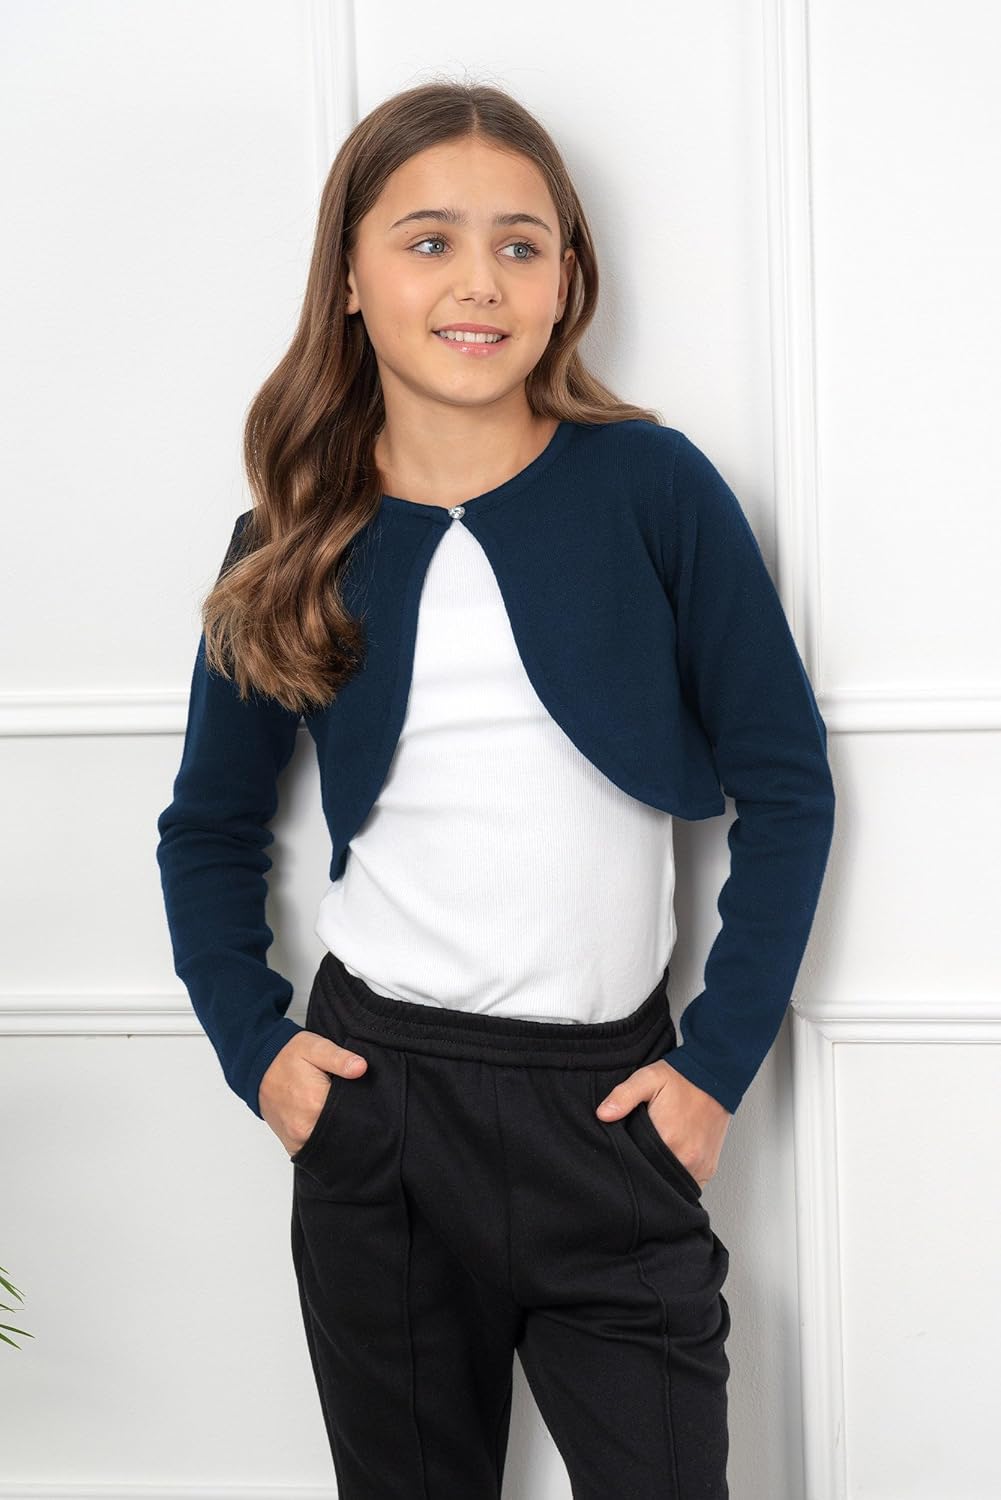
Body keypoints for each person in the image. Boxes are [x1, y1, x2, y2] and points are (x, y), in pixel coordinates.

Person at [156, 79, 835, 1500]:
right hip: (380, 1110)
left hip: (612, 1114)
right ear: (349, 277)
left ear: (567, 276)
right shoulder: (289, 537)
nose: (480, 281)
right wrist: (257, 1052)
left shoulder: (652, 488)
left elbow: (784, 785)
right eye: (429, 241)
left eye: (521, 244)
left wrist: (711, 1072)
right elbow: (208, 829)